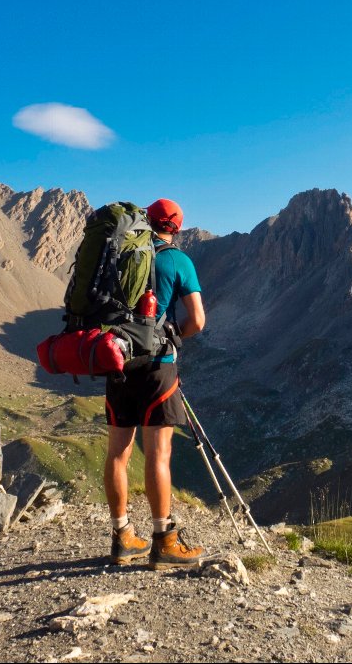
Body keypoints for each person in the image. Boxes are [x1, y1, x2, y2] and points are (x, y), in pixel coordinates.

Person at [103, 198, 207, 570]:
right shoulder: (177, 261)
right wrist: (172, 336)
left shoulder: (120, 255)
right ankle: (164, 541)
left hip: (117, 363)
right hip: (157, 369)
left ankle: (123, 537)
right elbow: (197, 320)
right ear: (175, 228)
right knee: (158, 455)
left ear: (146, 221)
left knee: (118, 452)